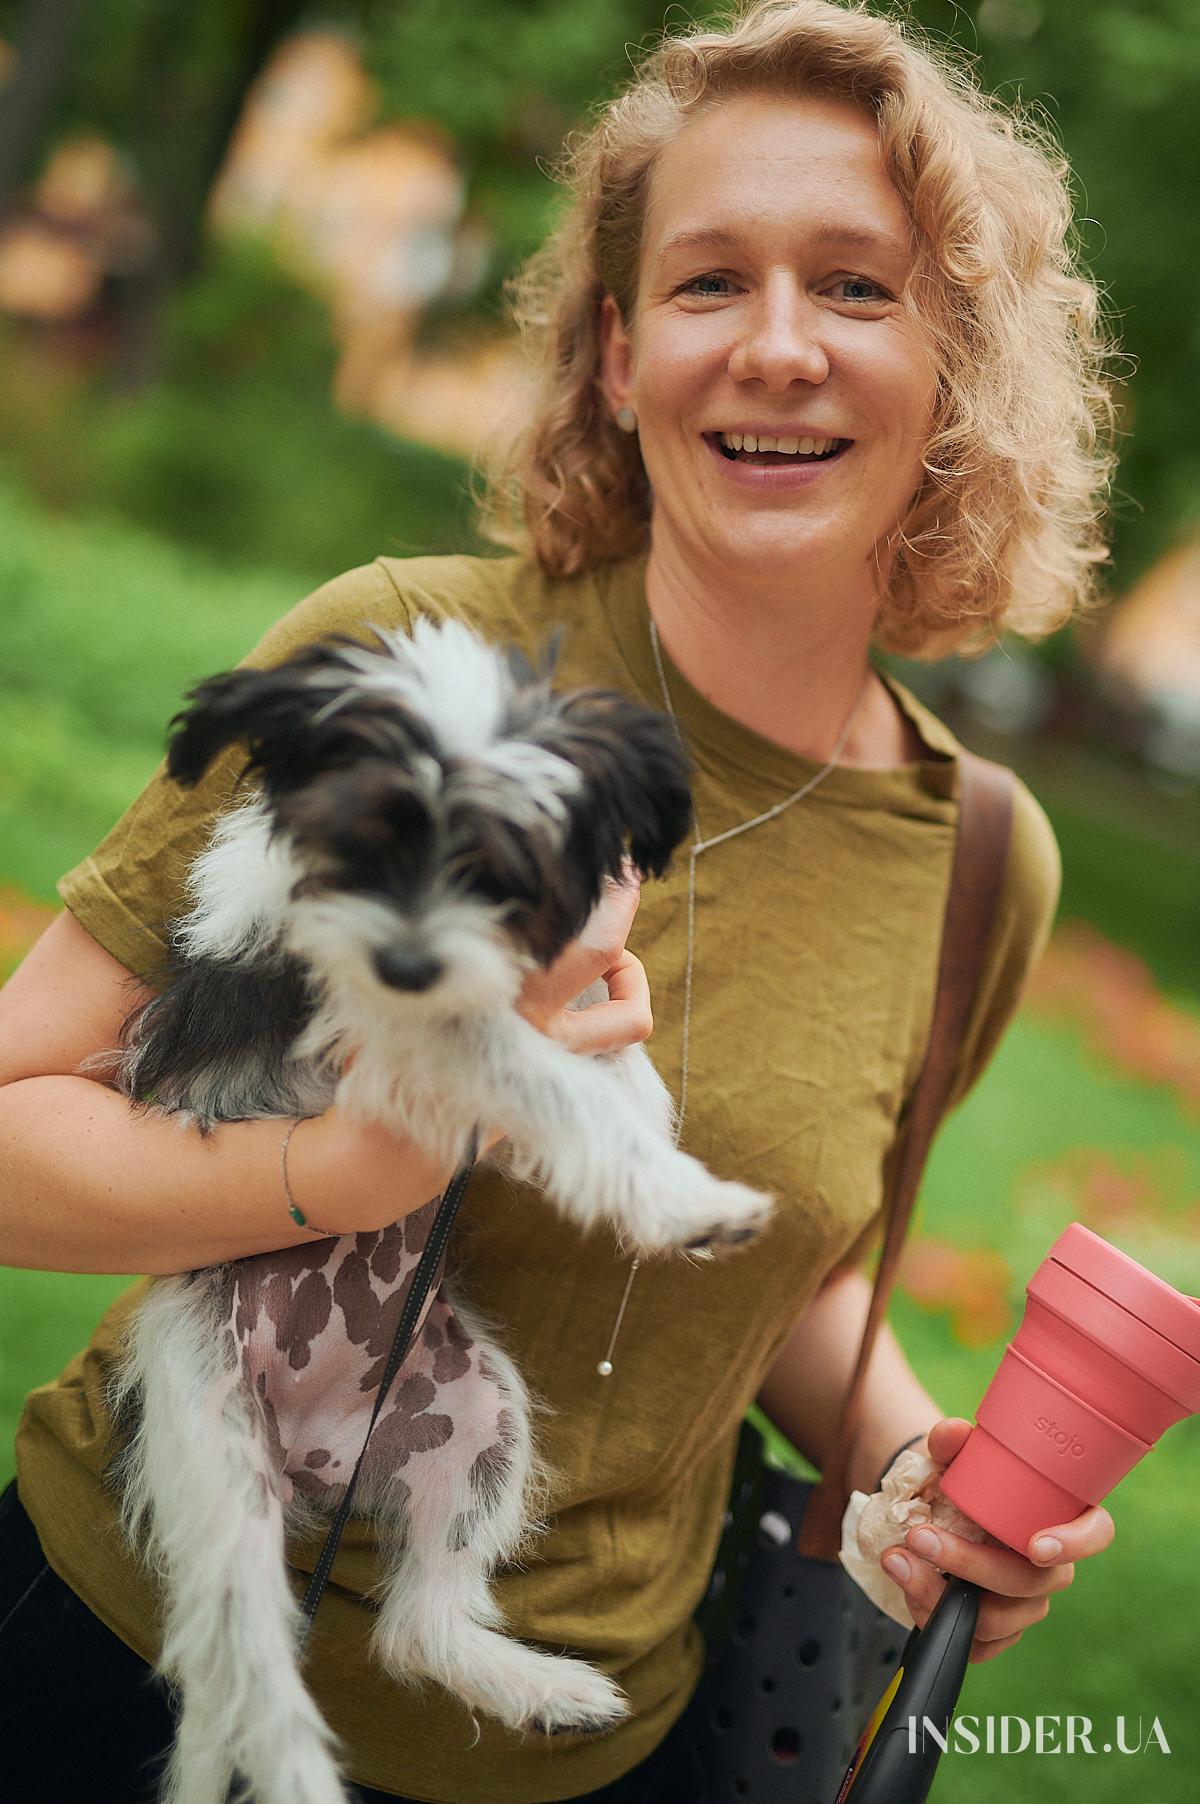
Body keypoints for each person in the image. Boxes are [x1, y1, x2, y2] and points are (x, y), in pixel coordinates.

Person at [0, 2, 1120, 1800]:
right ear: (614, 354)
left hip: (614, 1742)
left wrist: (925, 1468)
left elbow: (791, 1257)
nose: (776, 347)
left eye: (854, 287)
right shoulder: (396, 662)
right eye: (705, 283)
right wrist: (346, 1170)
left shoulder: (986, 858)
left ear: (956, 366)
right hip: (130, 1678)